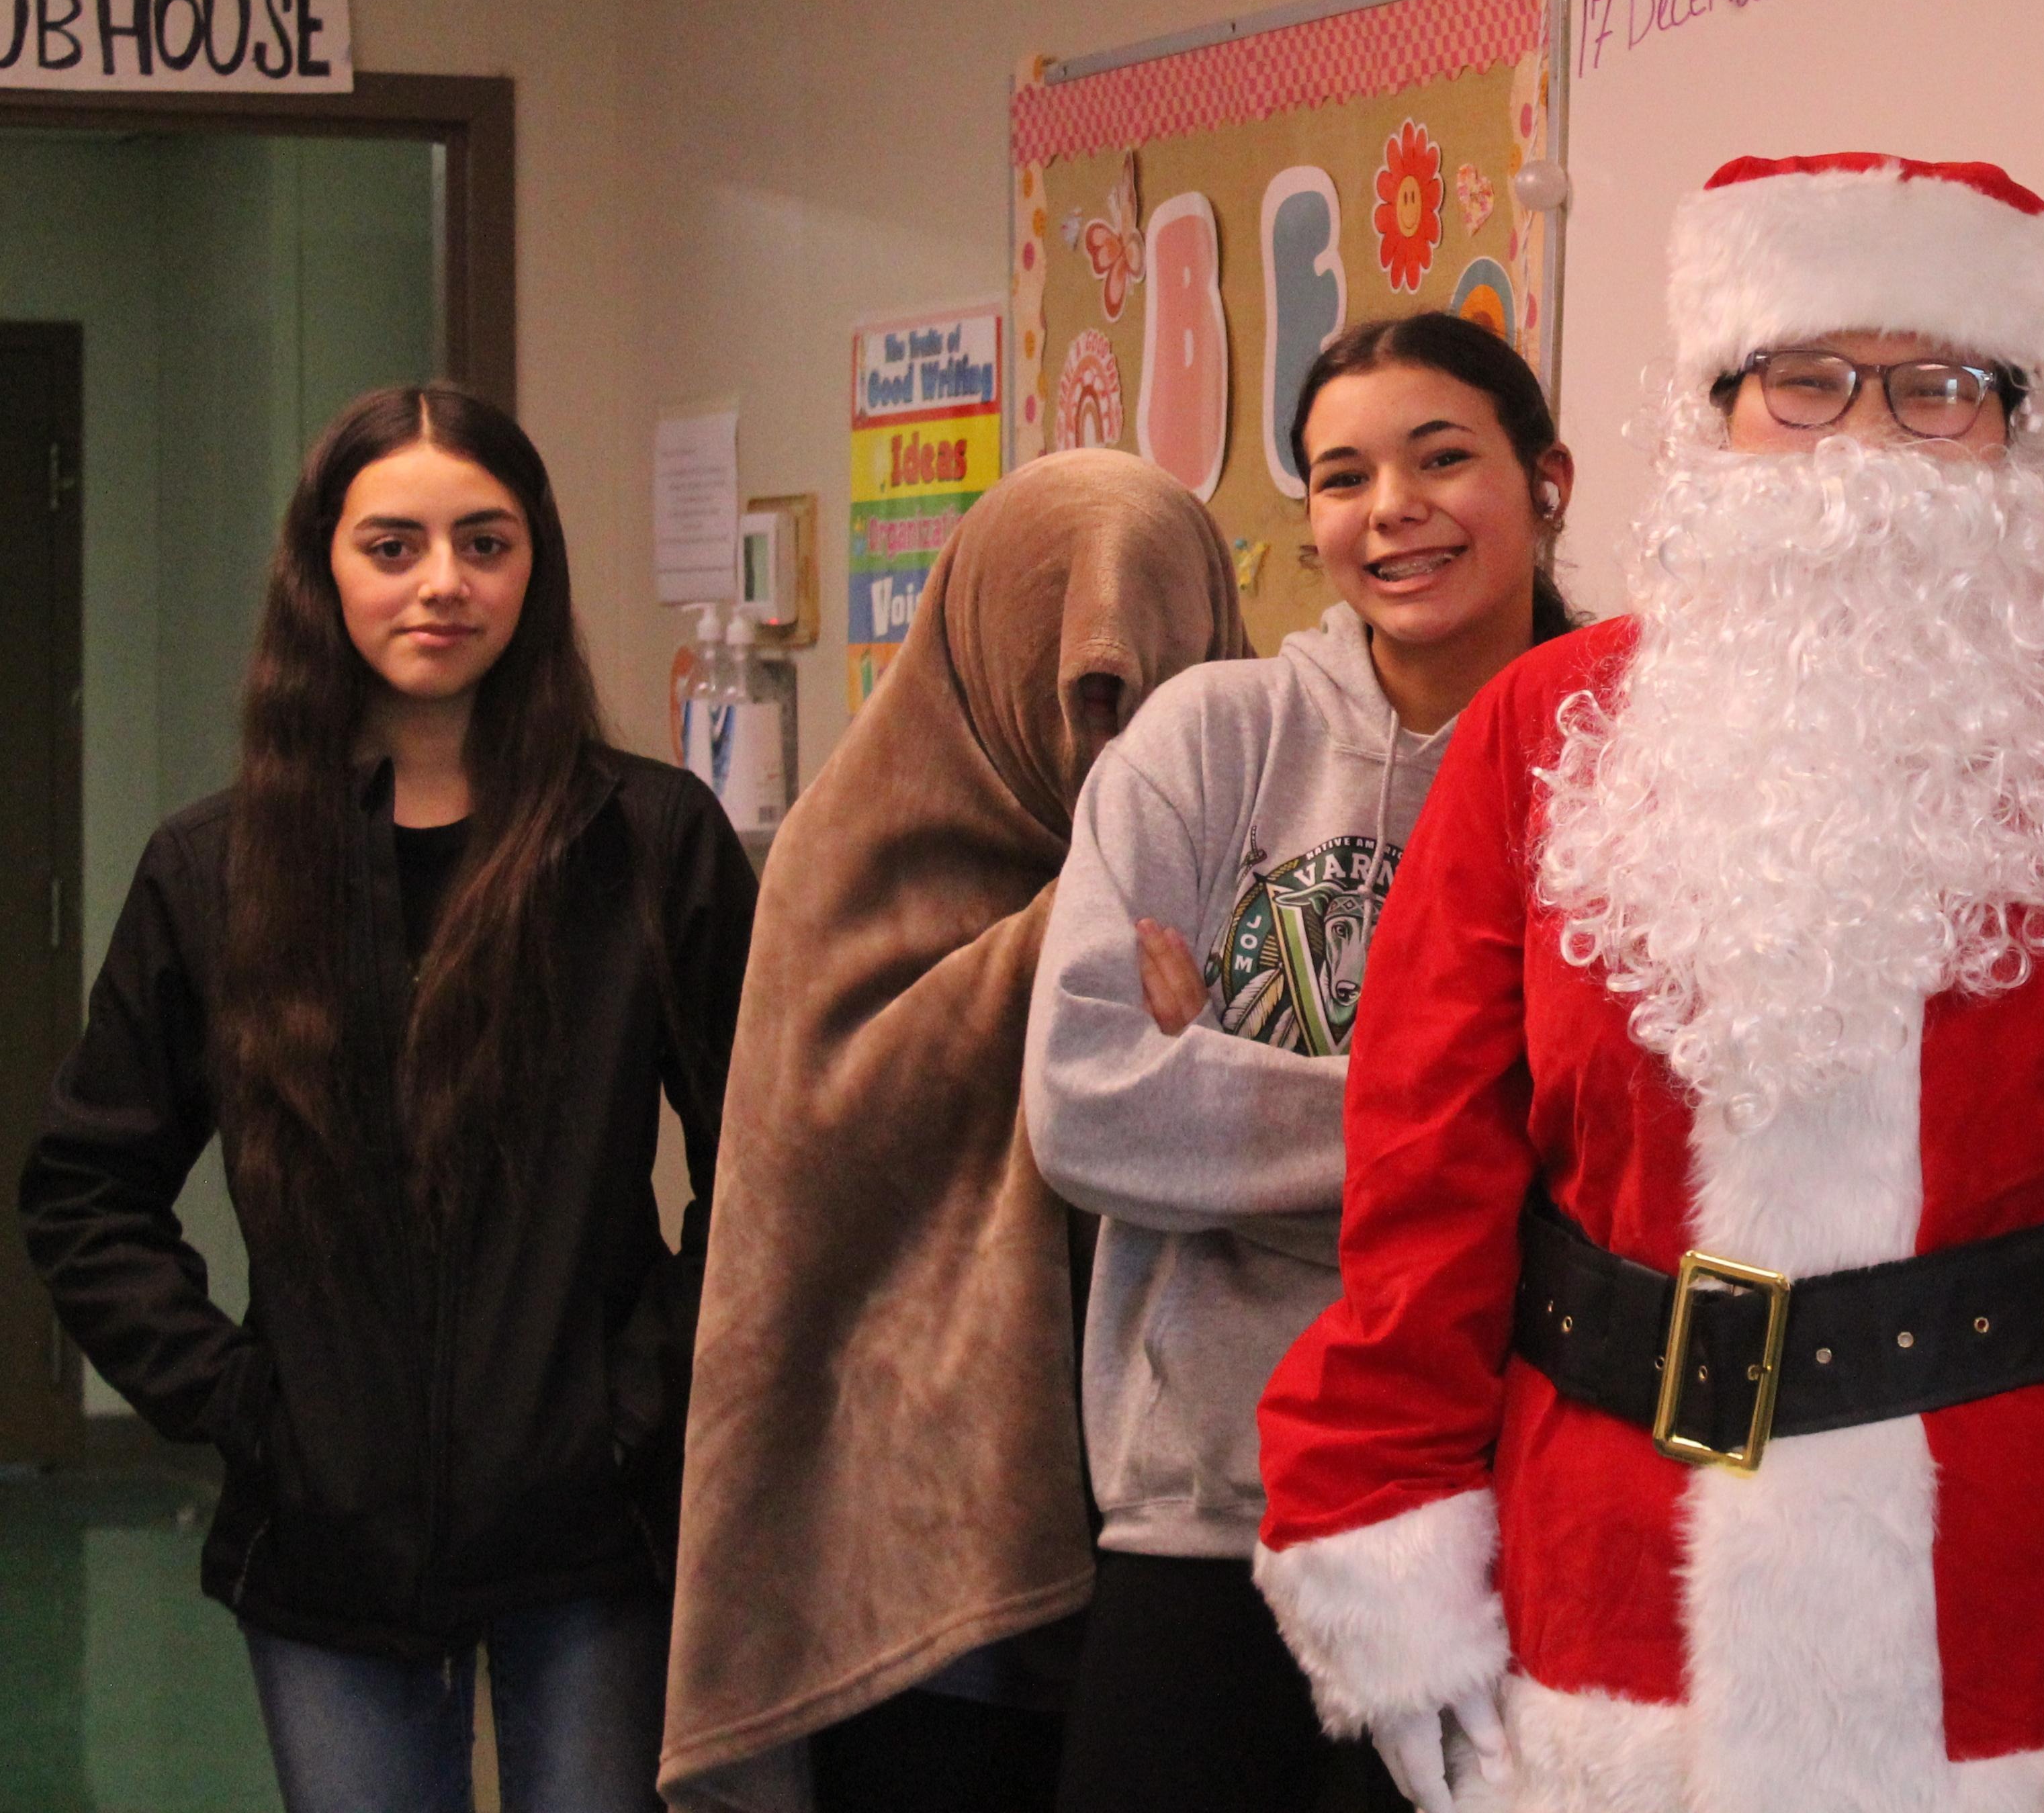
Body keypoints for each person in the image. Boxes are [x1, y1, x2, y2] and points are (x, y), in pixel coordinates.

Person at [1249, 153, 2044, 1813]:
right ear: (1718, 415)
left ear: (2027, 431)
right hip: (1611, 1624)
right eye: (1803, 384)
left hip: (2041, 1656)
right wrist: (1391, 1543)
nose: (1865, 437)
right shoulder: (1541, 736)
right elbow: (1424, 1182)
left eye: (1939, 387)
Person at [19, 384, 754, 1813]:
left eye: (485, 543)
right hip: (324, 1540)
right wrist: (245, 1405)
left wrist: (643, 1390)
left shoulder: (652, 843)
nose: (443, 583)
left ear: (533, 567)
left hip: (592, 1531)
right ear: (323, 569)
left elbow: (773, 1165)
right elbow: (84, 1188)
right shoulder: (214, 871)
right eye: (394, 544)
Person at [1023, 312, 1577, 1813]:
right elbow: (1087, 1104)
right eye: (1342, 475)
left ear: (1548, 483)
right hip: (1206, 1503)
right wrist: (1479, 1137)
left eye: (1440, 457)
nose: (1389, 506)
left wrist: (1219, 1085)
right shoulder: (1214, 741)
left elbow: (1633, 1155)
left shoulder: (1620, 756)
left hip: (1504, 1508)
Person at [658, 448, 1249, 1813]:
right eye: (1091, 696)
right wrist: (1085, 947)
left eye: (1163, 698)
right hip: (918, 1581)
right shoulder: (845, 855)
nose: (1122, 750)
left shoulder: (1276, 850)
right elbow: (809, 1174)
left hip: (1203, 1552)